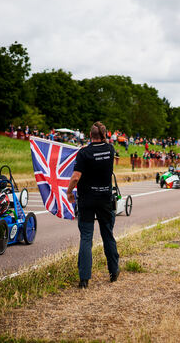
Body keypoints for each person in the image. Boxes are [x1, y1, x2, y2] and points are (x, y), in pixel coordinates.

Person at [66, 121, 120, 289]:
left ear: (90, 135)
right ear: (104, 136)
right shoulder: (110, 150)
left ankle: (84, 279)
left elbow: (75, 177)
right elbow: (105, 146)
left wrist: (69, 192)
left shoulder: (84, 153)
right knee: (107, 235)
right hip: (105, 199)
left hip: (87, 200)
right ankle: (113, 272)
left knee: (86, 238)